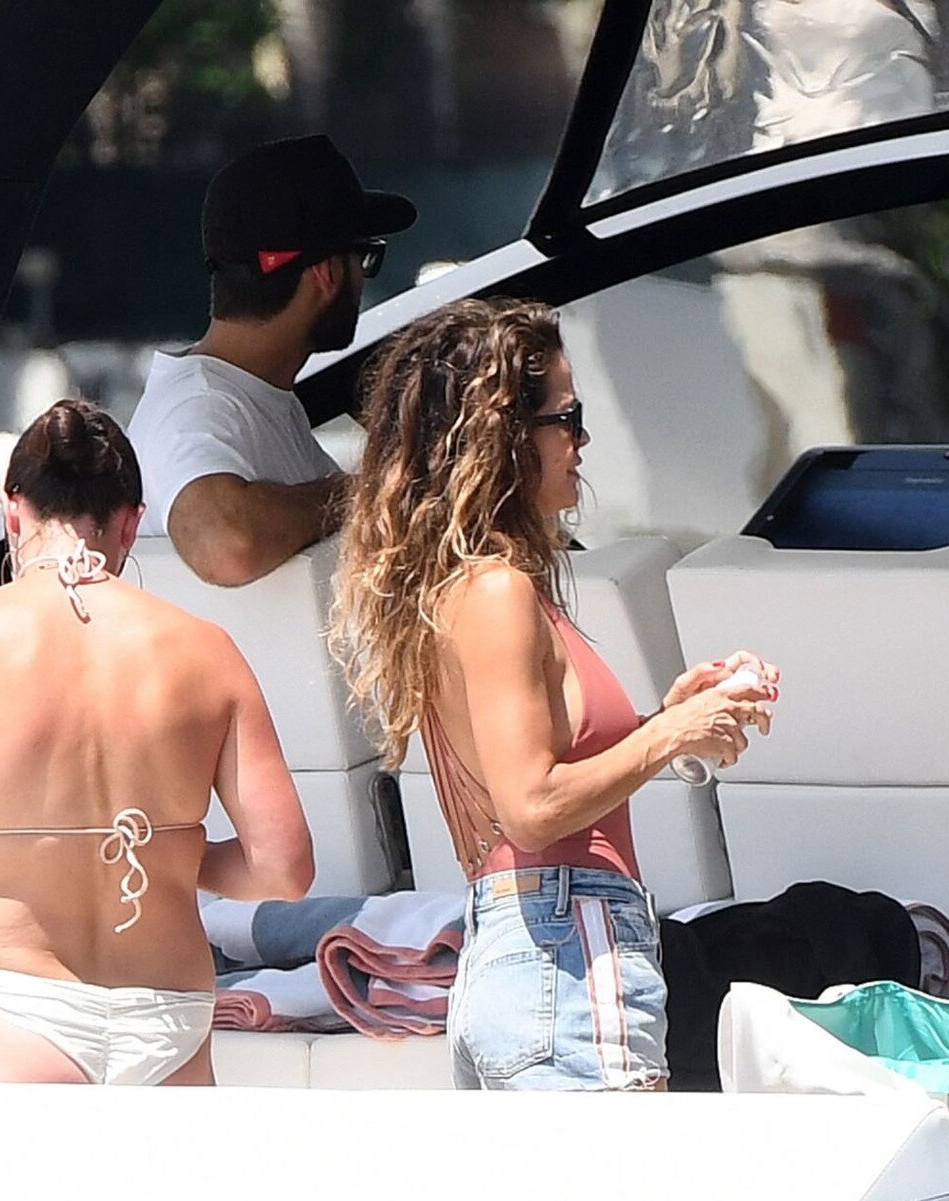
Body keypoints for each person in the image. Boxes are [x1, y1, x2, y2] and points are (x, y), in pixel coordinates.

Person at [330, 298, 779, 1092]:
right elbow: (532, 806)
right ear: (504, 436)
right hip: (566, 949)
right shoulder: (497, 591)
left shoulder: (469, 589)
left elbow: (539, 772)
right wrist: (668, 736)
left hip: (522, 951)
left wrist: (672, 717)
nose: (582, 442)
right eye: (567, 419)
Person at [0, 401, 314, 1085]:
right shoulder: (206, 650)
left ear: (13, 513)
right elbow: (283, 869)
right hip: (169, 1014)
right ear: (131, 523)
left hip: (17, 1010)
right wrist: (172, 853)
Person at [128, 134, 416, 586]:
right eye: (365, 258)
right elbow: (225, 545)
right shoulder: (197, 407)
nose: (362, 281)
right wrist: (360, 492)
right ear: (327, 273)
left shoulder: (254, 398)